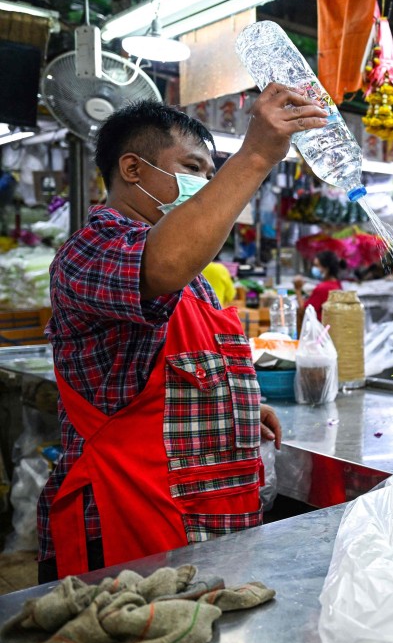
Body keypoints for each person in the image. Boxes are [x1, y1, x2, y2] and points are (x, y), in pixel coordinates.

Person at [41, 86, 329, 582]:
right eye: (193, 168)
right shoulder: (90, 250)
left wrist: (228, 404)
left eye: (210, 173)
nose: (204, 183)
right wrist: (256, 152)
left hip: (195, 533)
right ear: (133, 170)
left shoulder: (195, 277)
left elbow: (158, 367)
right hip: (118, 536)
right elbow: (162, 265)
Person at [293, 250, 344, 320]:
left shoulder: (323, 288)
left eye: (317, 265)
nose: (314, 269)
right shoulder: (337, 284)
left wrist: (297, 289)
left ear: (326, 268)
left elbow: (305, 312)